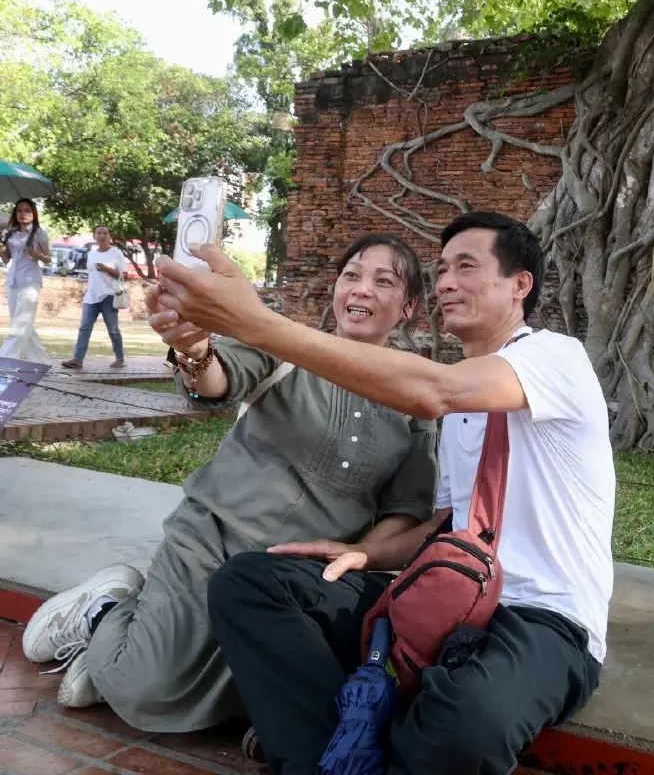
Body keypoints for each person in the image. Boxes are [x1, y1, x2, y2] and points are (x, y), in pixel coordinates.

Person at [150, 211, 615, 775]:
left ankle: (321, 750)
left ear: (521, 285)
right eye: (441, 269)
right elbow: (446, 526)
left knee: (464, 728)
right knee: (251, 584)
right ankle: (345, 750)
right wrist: (365, 554)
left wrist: (257, 322)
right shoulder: (461, 413)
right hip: (447, 597)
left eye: (466, 267)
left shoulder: (553, 358)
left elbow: (432, 391)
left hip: (542, 617)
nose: (445, 282)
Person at [20, 233, 439, 736]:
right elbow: (219, 379)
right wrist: (195, 349)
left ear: (409, 306)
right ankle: (107, 611)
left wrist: (358, 554)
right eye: (351, 275)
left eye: (383, 281)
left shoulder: (416, 399)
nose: (361, 289)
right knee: (145, 693)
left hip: (296, 578)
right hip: (214, 540)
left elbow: (405, 505)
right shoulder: (285, 347)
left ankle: (137, 651)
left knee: (262, 701)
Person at [61, 225, 127, 369]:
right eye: (99, 233)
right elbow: (92, 275)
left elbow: (123, 275)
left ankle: (120, 358)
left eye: (105, 233)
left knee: (113, 329)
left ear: (110, 236)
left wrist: (107, 269)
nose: (102, 236)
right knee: (84, 328)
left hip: (109, 296)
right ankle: (77, 360)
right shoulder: (91, 254)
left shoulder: (116, 253)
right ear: (94, 236)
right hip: (91, 297)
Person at [0, 199, 52, 364]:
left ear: (33, 213)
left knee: (20, 325)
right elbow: (7, 259)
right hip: (13, 282)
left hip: (30, 283)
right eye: (19, 210)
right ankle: (41, 363)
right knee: (23, 323)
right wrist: (1, 250)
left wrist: (39, 255)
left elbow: (49, 259)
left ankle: (4, 360)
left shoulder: (39, 233)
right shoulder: (11, 233)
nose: (23, 214)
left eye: (27, 210)